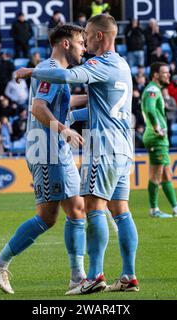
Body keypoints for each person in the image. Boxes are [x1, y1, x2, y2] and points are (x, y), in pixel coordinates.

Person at [17, 14, 139, 295]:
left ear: (99, 36)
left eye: (86, 35)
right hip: (124, 147)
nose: (83, 42)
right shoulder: (123, 65)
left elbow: (66, 75)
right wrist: (66, 118)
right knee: (121, 211)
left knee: (94, 209)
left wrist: (31, 72)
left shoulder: (100, 63)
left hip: (103, 147)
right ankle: (129, 275)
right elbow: (101, 108)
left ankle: (94, 275)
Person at [0, 24, 88, 294]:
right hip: (46, 150)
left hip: (55, 150)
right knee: (48, 216)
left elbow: (64, 101)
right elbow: (38, 107)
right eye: (80, 42)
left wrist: (92, 98)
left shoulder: (57, 73)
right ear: (66, 44)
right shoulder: (50, 68)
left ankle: (78, 278)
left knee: (76, 210)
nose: (84, 47)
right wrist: (64, 130)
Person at [141, 62, 177, 218]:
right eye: (165, 72)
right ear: (155, 75)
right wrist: (157, 127)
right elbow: (150, 109)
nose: (168, 75)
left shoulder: (155, 89)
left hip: (159, 139)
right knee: (156, 176)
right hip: (156, 138)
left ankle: (175, 207)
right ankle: (154, 210)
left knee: (166, 175)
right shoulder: (152, 90)